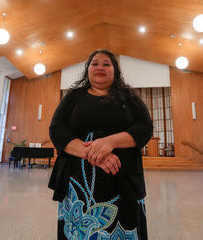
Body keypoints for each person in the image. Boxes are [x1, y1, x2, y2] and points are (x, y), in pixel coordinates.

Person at [48, 49, 153, 239]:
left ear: (115, 71)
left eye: (106, 64)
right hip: (77, 181)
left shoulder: (129, 97)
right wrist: (93, 153)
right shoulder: (73, 96)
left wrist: (110, 142)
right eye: (95, 63)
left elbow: (145, 128)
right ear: (88, 69)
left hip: (123, 179)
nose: (100, 67)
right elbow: (57, 129)